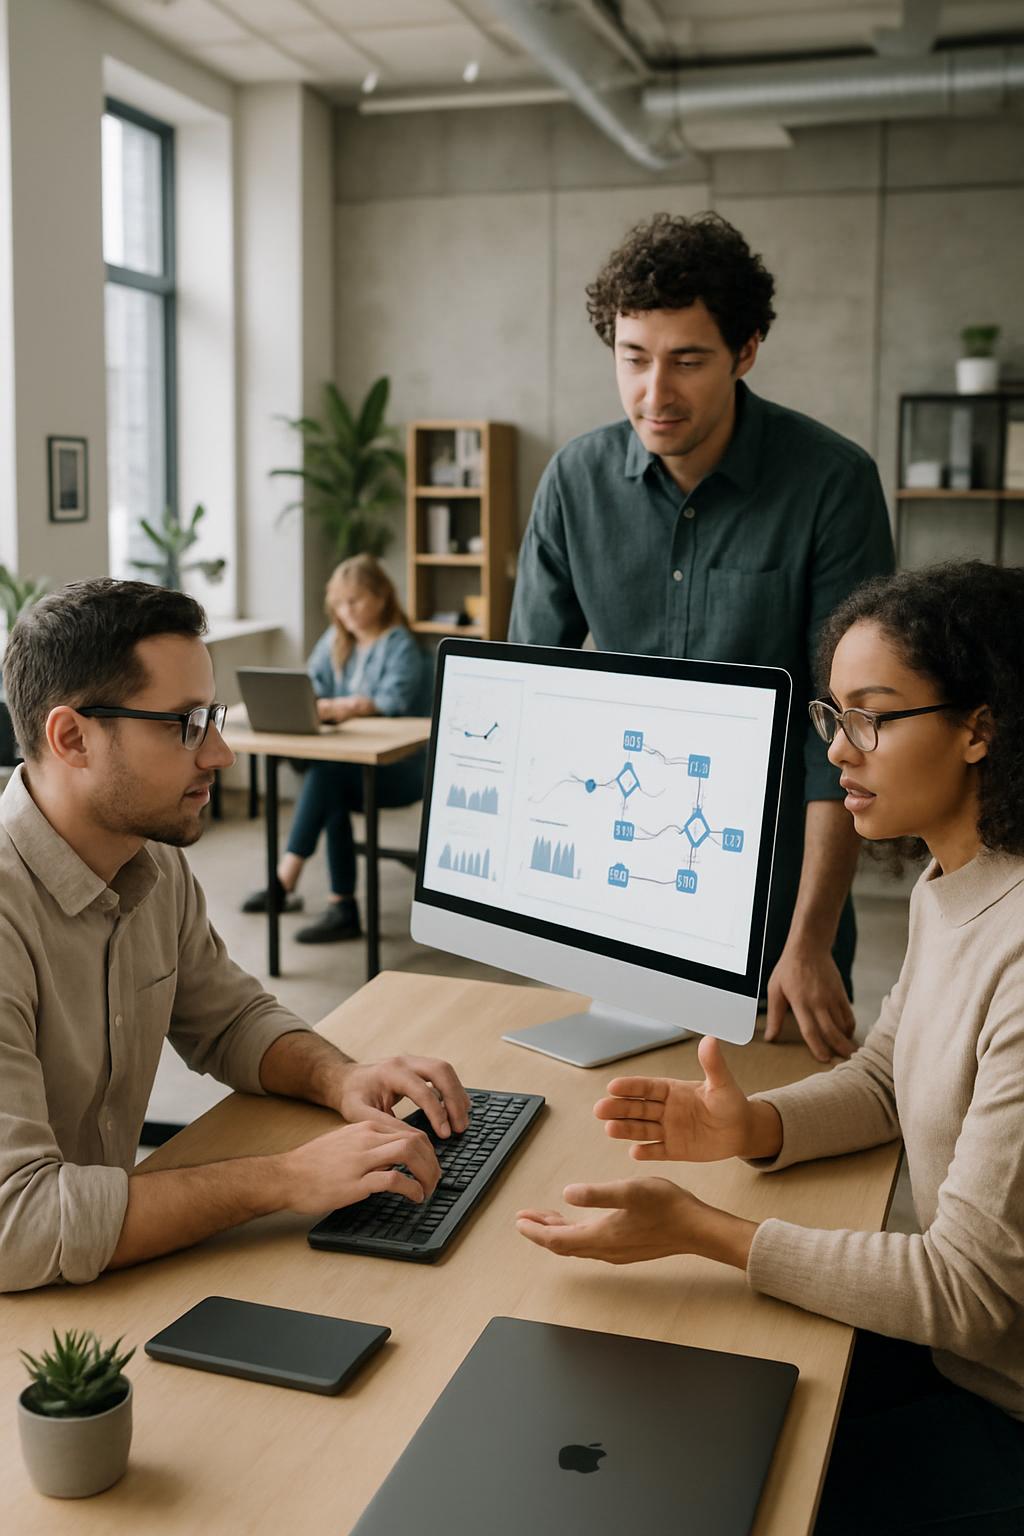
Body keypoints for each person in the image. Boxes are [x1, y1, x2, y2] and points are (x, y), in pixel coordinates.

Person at [517, 561, 1024, 1534]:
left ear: (978, 727)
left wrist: (703, 1231)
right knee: (658, 1406)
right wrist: (752, 1127)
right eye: (833, 717)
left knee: (709, 1497)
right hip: (961, 1362)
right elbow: (881, 1080)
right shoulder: (950, 881)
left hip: (1000, 1403)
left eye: (872, 718)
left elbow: (964, 1294)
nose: (839, 753)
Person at [0, 578, 468, 1294]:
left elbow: (231, 1020)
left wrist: (341, 1077)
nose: (220, 753)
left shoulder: (148, 858)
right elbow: (20, 1223)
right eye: (184, 724)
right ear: (72, 738)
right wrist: (282, 1178)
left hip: (96, 1283)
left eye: (213, 718)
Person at [508, 211, 894, 1062]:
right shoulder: (574, 480)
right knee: (613, 1135)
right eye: (634, 358)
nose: (656, 393)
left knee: (783, 1152)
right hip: (621, 881)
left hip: (783, 900)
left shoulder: (832, 484)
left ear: (746, 350)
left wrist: (811, 940)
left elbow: (840, 731)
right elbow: (531, 693)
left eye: (688, 360)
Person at [243, 554, 430, 943]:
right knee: (331, 784)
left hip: (401, 769)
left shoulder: (401, 645)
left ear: (381, 597)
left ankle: (287, 882)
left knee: (327, 779)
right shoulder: (336, 640)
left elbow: (392, 701)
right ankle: (339, 905)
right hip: (350, 766)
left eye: (355, 601)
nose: (346, 612)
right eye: (340, 603)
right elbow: (309, 686)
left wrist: (342, 707)